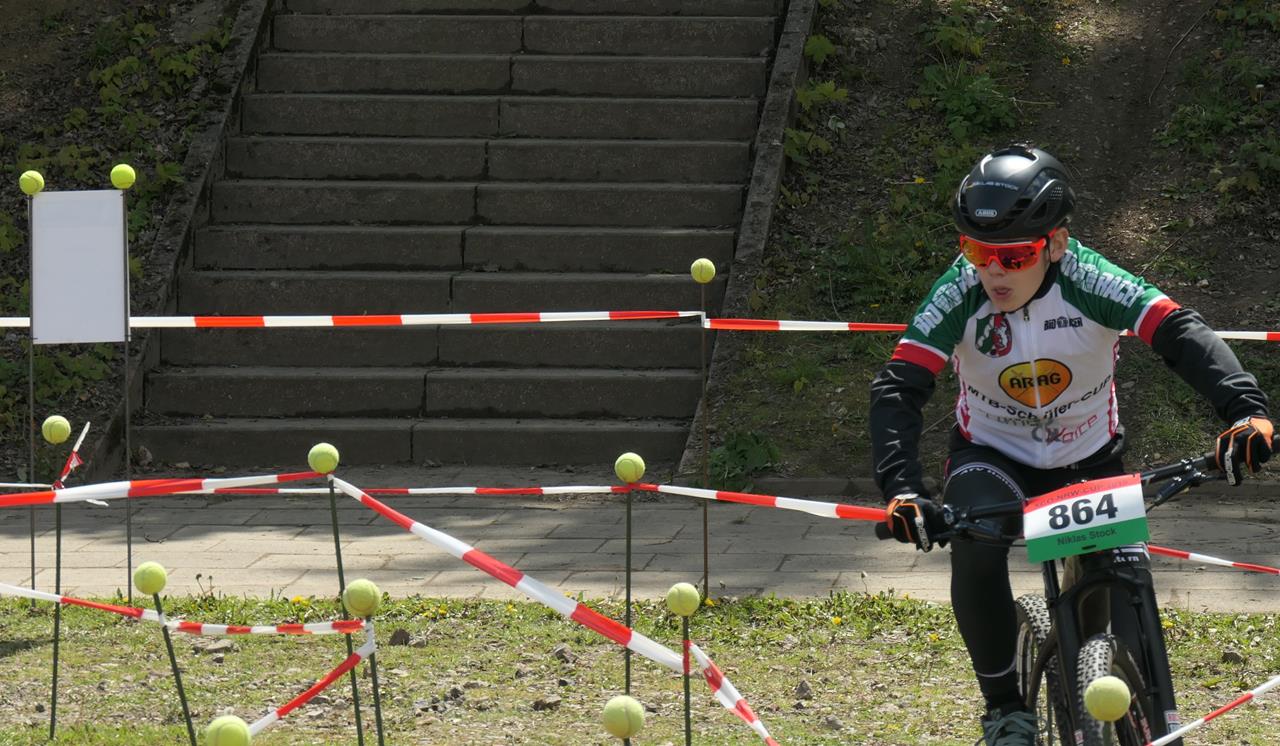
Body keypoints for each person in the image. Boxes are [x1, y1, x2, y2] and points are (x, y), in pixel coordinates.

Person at [868, 144, 1274, 745]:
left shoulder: (1090, 279)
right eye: (977, 251)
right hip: (993, 457)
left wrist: (1246, 412)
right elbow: (899, 386)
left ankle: (1147, 716)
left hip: (1089, 460)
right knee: (975, 546)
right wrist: (903, 489)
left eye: (1014, 256)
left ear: (1056, 243)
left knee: (1122, 583)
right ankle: (1005, 710)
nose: (993, 272)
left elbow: (1179, 331)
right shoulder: (959, 292)